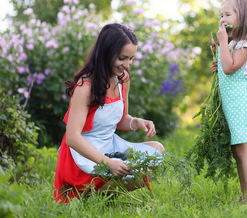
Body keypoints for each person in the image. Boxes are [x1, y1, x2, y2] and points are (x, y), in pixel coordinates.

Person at [54, 23, 165, 203]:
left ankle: (105, 190)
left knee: (157, 150)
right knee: (140, 175)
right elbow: (72, 138)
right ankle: (90, 196)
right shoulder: (85, 87)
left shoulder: (123, 79)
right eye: (122, 58)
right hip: (83, 156)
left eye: (131, 58)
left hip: (108, 145)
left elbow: (121, 119)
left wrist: (136, 122)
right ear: (106, 53)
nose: (127, 64)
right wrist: (108, 163)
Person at [211, 0, 247, 203]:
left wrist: (223, 43)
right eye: (221, 15)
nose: (223, 19)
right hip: (232, 104)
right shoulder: (233, 43)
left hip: (241, 103)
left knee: (244, 151)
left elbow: (231, 67)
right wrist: (218, 63)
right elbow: (225, 68)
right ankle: (245, 195)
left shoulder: (246, 42)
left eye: (227, 14)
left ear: (243, 17)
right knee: (237, 151)